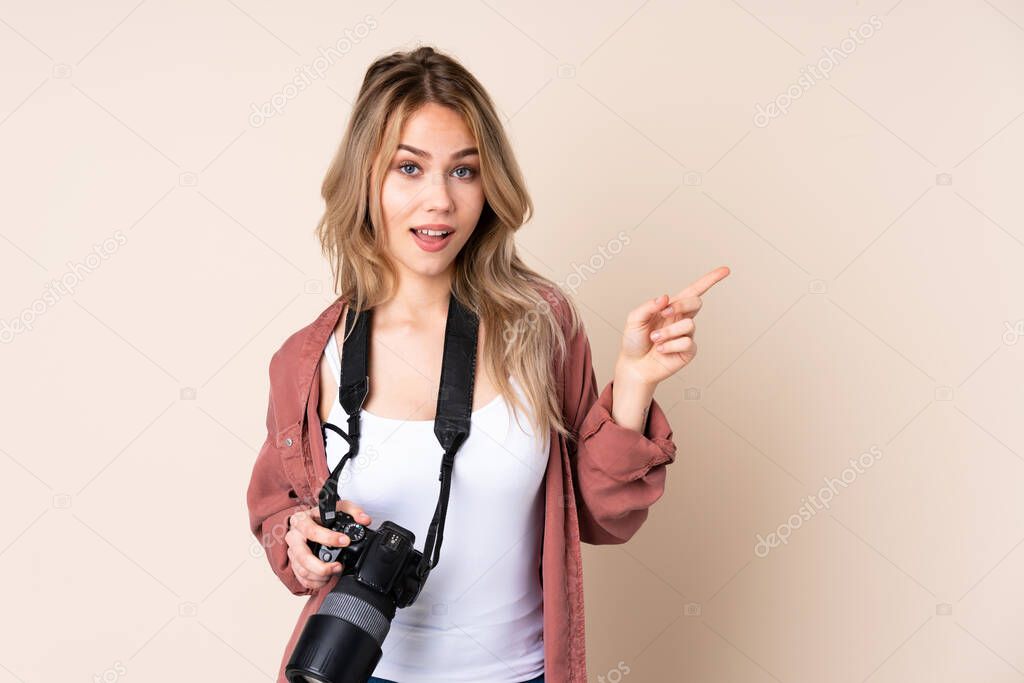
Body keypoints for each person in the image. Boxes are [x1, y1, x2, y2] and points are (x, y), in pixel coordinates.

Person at [246, 45, 729, 683]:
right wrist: (299, 545)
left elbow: (600, 516)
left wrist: (635, 383)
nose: (439, 201)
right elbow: (278, 513)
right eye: (409, 168)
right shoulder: (307, 360)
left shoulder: (542, 327)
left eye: (464, 171)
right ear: (365, 178)